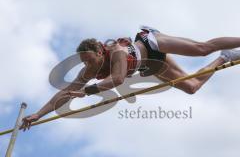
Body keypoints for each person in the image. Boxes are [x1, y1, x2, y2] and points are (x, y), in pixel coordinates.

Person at [21, 26, 240, 130]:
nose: (87, 66)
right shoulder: (88, 72)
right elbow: (63, 95)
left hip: (152, 44)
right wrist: (38, 114)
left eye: (89, 60)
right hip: (151, 65)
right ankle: (225, 57)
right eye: (84, 62)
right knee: (192, 87)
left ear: (100, 52)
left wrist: (87, 91)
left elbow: (117, 79)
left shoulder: (116, 51)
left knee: (201, 49)